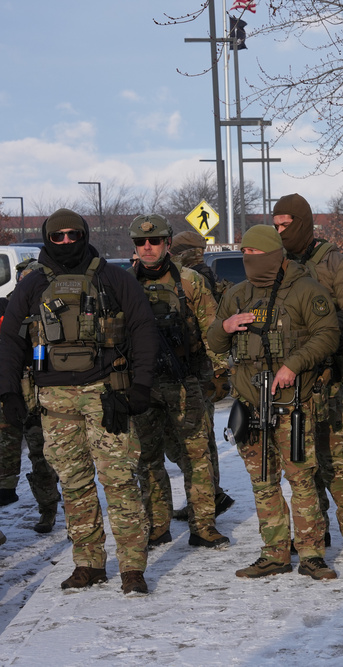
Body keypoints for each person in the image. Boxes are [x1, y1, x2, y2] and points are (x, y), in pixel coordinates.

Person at [0, 208, 158, 594]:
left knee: (120, 481)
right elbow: (10, 341)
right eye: (59, 237)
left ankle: (132, 567)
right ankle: (88, 563)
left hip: (106, 394)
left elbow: (142, 329)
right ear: (48, 239)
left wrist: (140, 387)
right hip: (54, 399)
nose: (67, 242)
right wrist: (7, 392)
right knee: (73, 484)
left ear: (84, 235)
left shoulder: (114, 278)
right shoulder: (32, 284)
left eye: (74, 234)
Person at [208, 225, 339, 581]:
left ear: (273, 255)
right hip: (250, 404)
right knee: (263, 482)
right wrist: (227, 326)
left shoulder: (306, 290)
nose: (249, 261)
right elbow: (215, 344)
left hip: (293, 405)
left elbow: (328, 335)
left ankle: (311, 554)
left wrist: (292, 365)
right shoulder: (237, 295)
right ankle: (274, 553)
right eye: (244, 255)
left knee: (301, 479)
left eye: (255, 255)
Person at [272, 192, 343, 556]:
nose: (281, 232)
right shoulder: (277, 263)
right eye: (276, 226)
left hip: (326, 379)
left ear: (303, 223)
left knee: (334, 459)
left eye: (287, 225)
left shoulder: (335, 264)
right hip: (290, 381)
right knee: (300, 462)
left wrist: (319, 334)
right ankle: (315, 528)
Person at [128, 214, 229, 551]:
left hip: (186, 379)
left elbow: (212, 331)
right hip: (142, 384)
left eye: (154, 241)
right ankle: (158, 527)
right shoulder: (124, 284)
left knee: (196, 454)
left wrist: (218, 373)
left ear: (167, 244)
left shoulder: (190, 281)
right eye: (141, 242)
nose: (147, 247)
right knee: (148, 458)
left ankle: (204, 526)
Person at [168, 229, 234, 520]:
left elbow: (207, 327)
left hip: (198, 370)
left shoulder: (195, 278)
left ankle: (209, 496)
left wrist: (218, 371)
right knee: (201, 439)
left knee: (195, 440)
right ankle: (211, 493)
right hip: (202, 369)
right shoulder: (201, 274)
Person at [0, 260, 61, 533]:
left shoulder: (53, 307)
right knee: (5, 456)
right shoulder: (7, 308)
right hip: (13, 391)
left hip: (42, 390)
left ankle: (48, 509)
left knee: (41, 455)